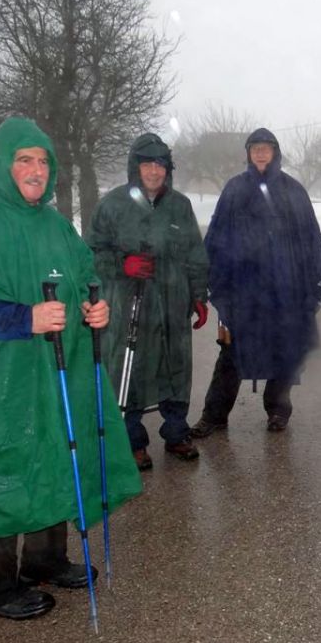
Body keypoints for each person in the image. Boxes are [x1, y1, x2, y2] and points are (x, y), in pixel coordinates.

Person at [0, 117, 142, 620]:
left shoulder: (57, 223)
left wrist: (94, 307)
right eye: (24, 159)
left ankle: (43, 560)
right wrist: (25, 317)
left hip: (53, 369)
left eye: (42, 160)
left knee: (55, 451)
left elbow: (85, 278)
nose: (36, 169)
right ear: (3, 164)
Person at [189, 128, 321, 437]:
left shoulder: (293, 190)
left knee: (286, 350)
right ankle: (214, 415)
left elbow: (311, 239)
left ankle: (277, 409)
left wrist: (316, 282)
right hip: (245, 290)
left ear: (276, 152)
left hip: (285, 288)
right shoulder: (235, 189)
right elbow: (216, 236)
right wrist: (214, 280)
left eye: (266, 148)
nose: (261, 153)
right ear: (249, 153)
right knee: (232, 353)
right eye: (256, 148)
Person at [87, 134, 209, 469]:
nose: (154, 171)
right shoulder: (112, 205)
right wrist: (120, 264)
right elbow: (92, 253)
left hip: (173, 301)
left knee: (176, 366)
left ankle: (176, 432)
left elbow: (195, 254)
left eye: (160, 165)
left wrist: (199, 295)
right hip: (130, 303)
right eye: (147, 164)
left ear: (168, 169)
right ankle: (133, 440)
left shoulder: (180, 206)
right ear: (135, 166)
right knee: (132, 368)